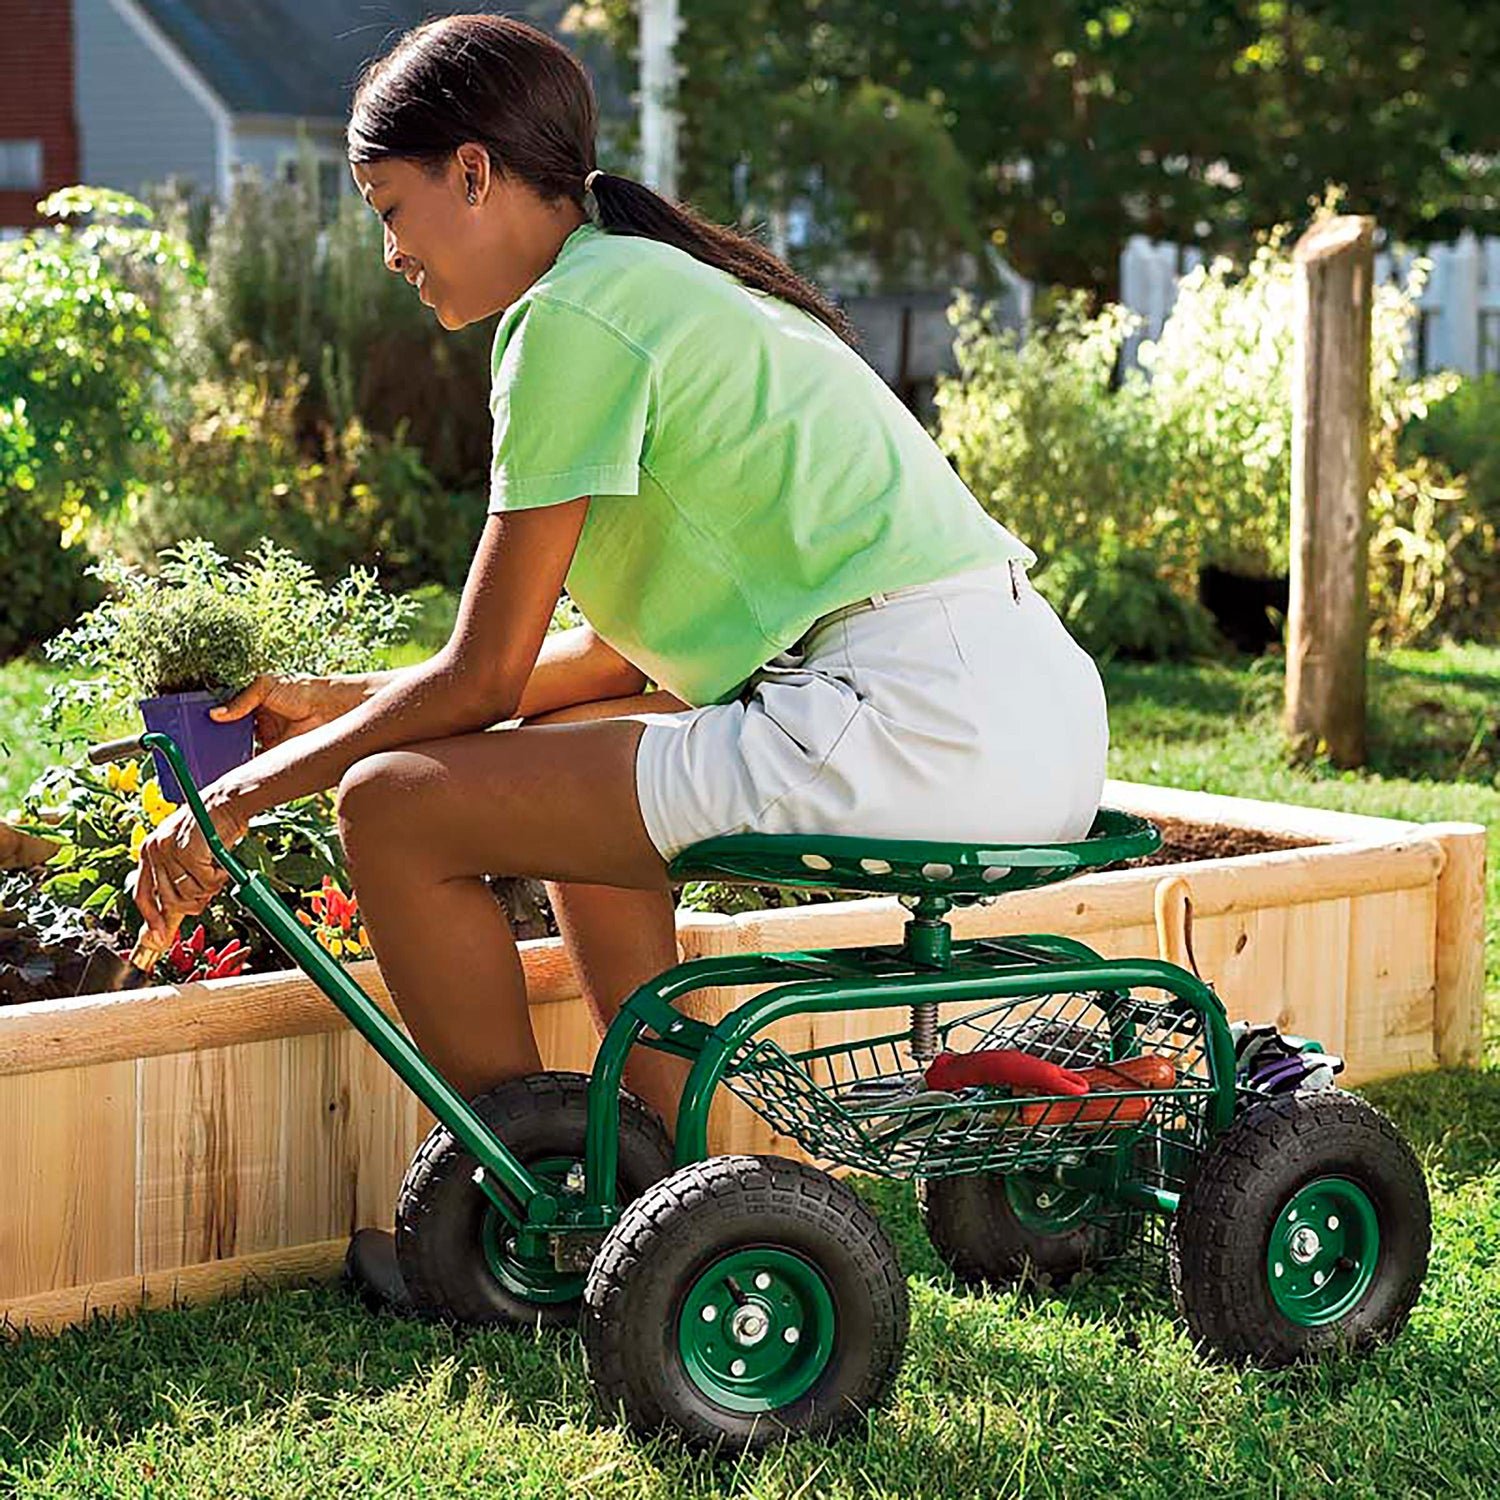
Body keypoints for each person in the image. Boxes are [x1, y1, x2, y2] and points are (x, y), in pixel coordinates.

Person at [130, 13, 1109, 1314]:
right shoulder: (651, 286)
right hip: (1017, 713)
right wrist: (337, 705)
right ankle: (670, 1210)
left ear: (474, 173)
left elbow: (483, 680)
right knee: (580, 798)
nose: (390, 251)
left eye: (393, 204)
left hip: (908, 723)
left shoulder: (571, 319)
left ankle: (529, 1224)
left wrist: (243, 799)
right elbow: (592, 668)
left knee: (394, 808)